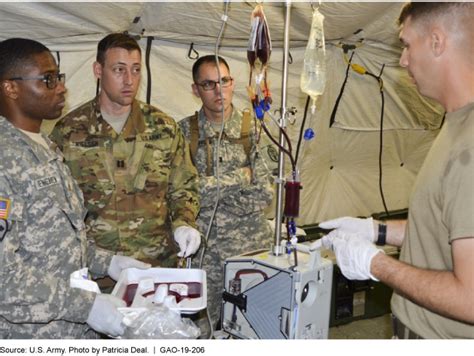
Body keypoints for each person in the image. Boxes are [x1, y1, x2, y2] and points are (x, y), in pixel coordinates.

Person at [319, 2, 474, 339]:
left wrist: (376, 264)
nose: (403, 60)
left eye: (406, 44)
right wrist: (375, 231)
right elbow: (445, 227)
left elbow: (470, 298)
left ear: (436, 41)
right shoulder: (454, 124)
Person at [0, 38, 149, 338]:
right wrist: (86, 306)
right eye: (48, 80)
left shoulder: (44, 145)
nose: (61, 88)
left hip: (70, 329)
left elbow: (54, 241)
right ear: (10, 88)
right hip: (33, 335)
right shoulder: (5, 157)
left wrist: (107, 263)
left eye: (59, 77)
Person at [50, 33, 201, 274]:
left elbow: (184, 186)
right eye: (119, 70)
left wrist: (184, 223)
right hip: (97, 271)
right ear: (98, 70)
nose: (129, 80)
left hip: (156, 266)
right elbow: (57, 205)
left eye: (136, 69)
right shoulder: (69, 132)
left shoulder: (163, 128)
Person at [179, 55, 274, 330]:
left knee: (252, 326)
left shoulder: (256, 128)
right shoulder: (184, 132)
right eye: (208, 84)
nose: (219, 90)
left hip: (249, 248)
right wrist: (241, 176)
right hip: (203, 253)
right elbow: (187, 192)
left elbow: (264, 193)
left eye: (224, 81)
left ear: (233, 83)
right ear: (195, 89)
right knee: (200, 328)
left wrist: (212, 197)